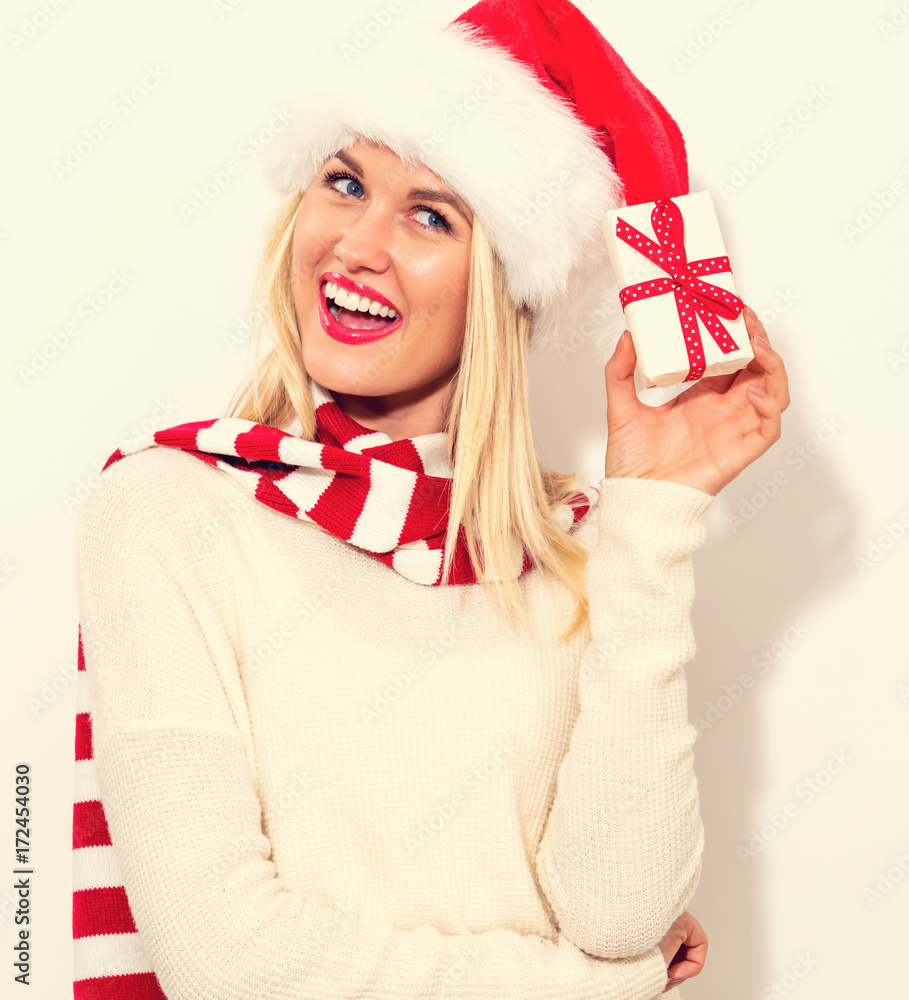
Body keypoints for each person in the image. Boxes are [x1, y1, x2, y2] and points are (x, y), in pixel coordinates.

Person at [70, 3, 788, 999]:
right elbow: (227, 959)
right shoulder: (168, 510)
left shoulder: (588, 549)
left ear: (503, 285)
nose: (357, 243)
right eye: (346, 182)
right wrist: (600, 985)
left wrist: (655, 517)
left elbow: (619, 910)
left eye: (429, 213)